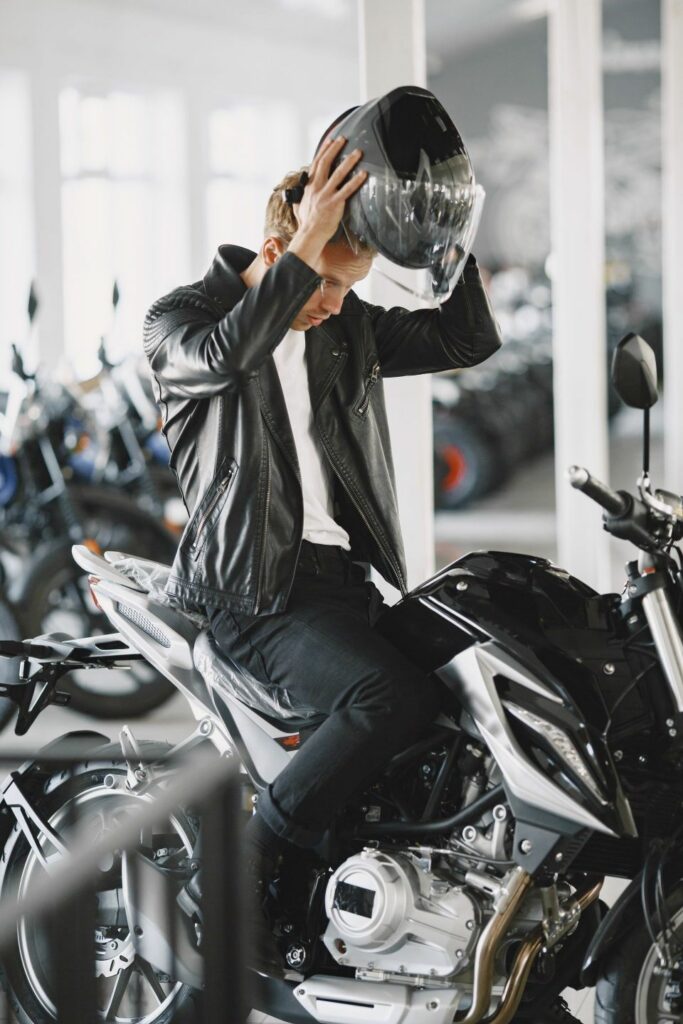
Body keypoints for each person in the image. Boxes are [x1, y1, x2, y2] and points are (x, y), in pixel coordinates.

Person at [144, 109, 502, 974]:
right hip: (250, 594)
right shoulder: (181, 319)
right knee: (389, 699)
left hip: (337, 582)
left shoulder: (340, 332)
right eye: (327, 285)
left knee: (469, 683)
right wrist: (309, 247)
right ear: (282, 250)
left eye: (350, 287)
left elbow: (467, 338)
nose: (340, 305)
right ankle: (249, 863)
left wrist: (445, 247)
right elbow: (228, 355)